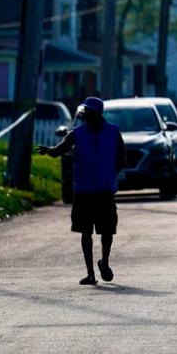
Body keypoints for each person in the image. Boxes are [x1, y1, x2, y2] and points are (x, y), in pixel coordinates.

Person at [37, 97, 126, 286]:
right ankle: (90, 273)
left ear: (97, 113)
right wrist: (48, 150)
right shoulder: (77, 133)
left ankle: (105, 262)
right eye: (85, 111)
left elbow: (121, 159)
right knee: (86, 232)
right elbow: (59, 150)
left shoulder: (113, 132)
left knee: (107, 231)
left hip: (102, 190)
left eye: (89, 112)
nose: (86, 115)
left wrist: (109, 173)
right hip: (85, 191)